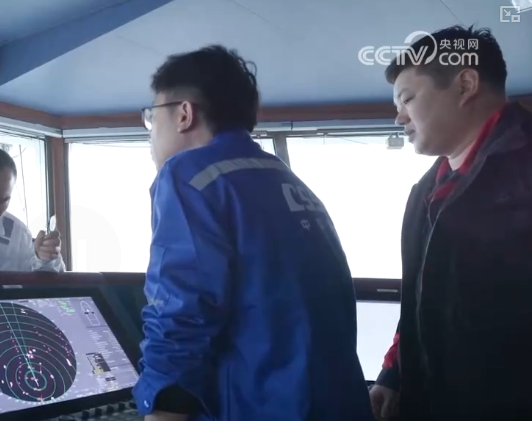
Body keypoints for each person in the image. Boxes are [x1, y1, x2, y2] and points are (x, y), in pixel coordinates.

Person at [133, 45, 373, 421]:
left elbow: (180, 313)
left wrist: (163, 408)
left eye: (152, 115)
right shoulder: (284, 177)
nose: (150, 131)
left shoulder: (188, 175)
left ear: (183, 114)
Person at [369, 25, 532, 421]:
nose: (399, 117)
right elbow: (420, 300)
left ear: (465, 85)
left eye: (407, 99)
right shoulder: (426, 192)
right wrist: (393, 373)